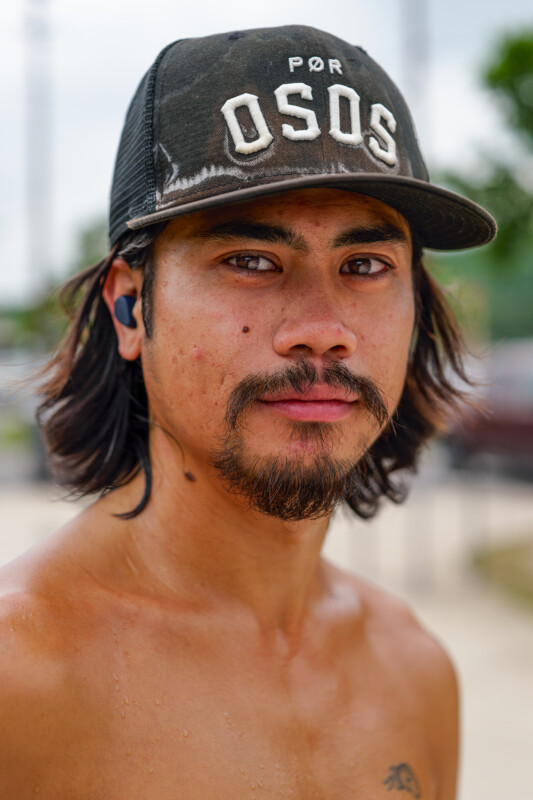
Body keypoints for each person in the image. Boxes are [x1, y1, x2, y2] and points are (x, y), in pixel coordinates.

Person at [0, 25, 495, 799]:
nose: (322, 328)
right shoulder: (21, 677)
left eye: (365, 265)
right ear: (130, 307)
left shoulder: (413, 671)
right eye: (251, 261)